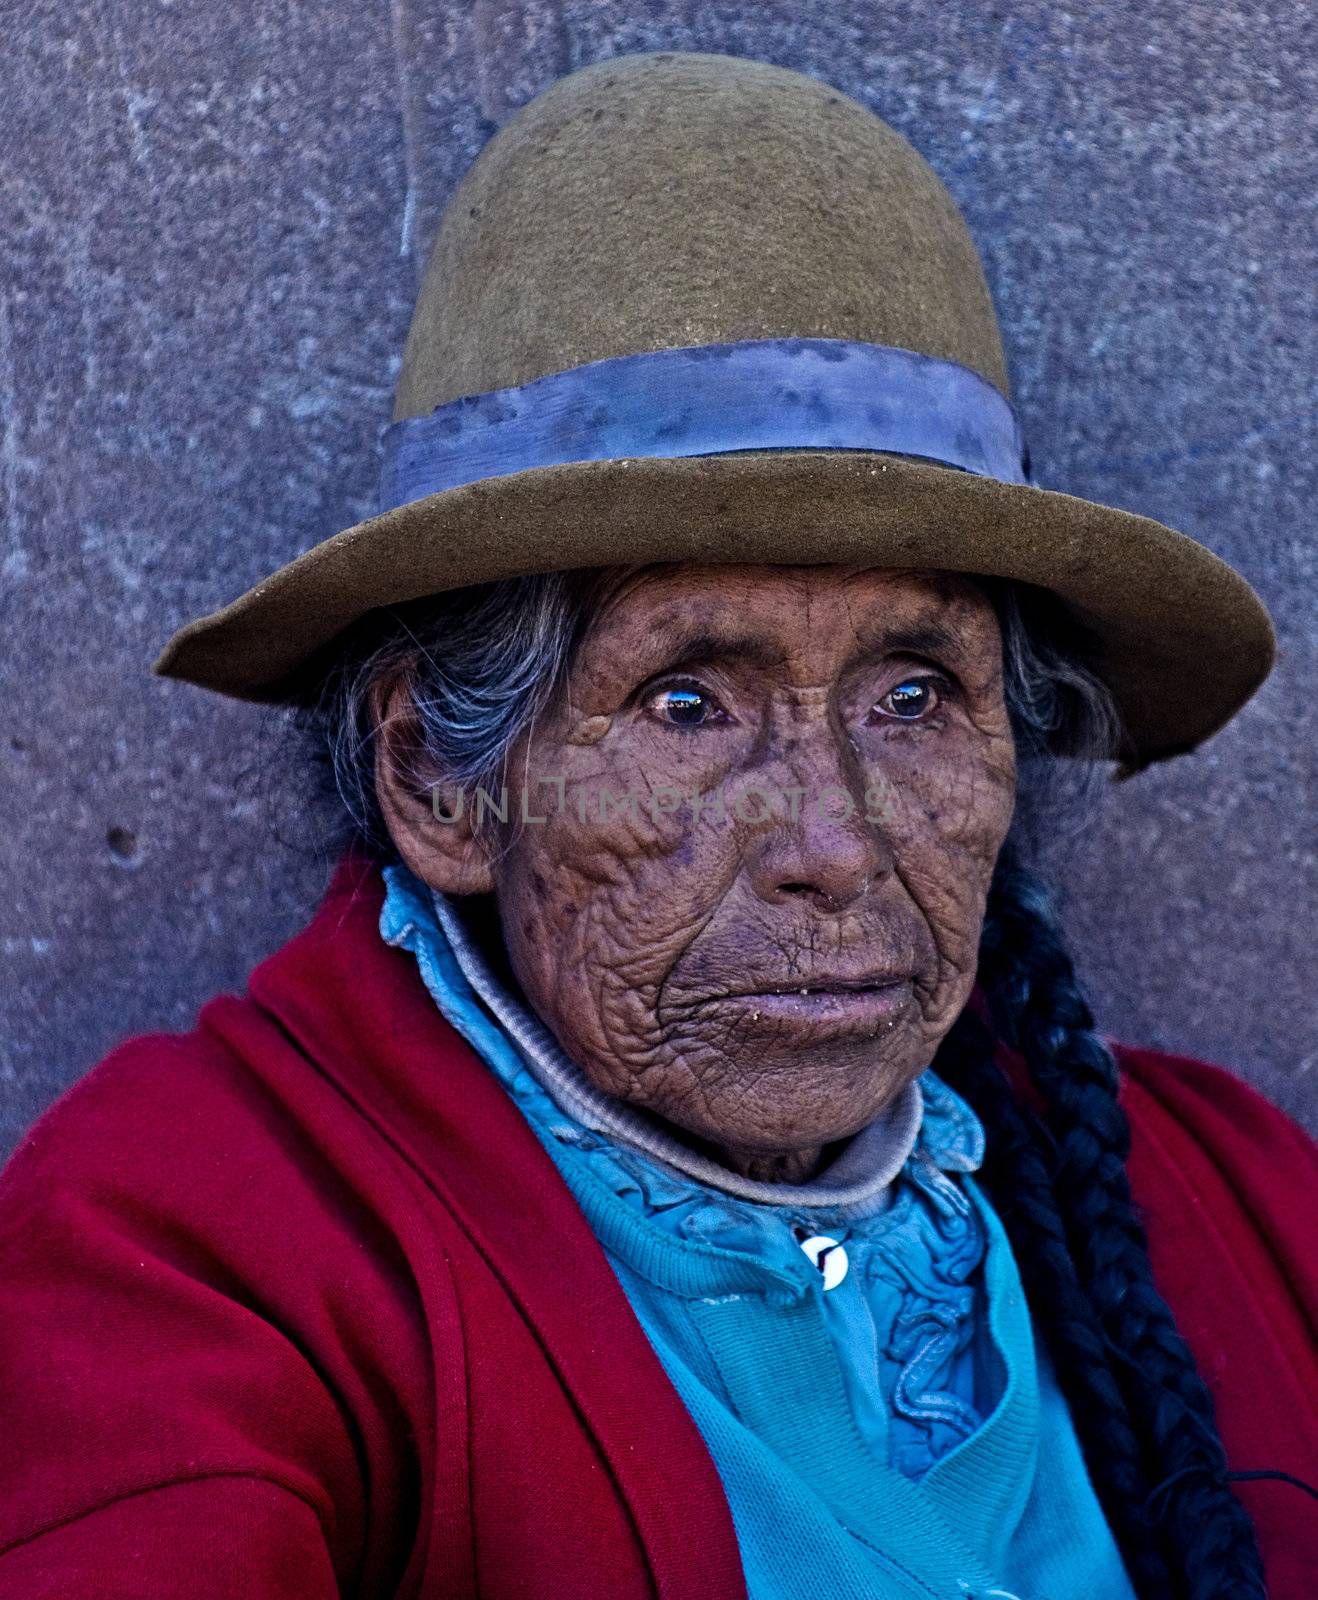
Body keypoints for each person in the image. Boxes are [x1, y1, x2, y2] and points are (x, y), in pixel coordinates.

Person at [1, 49, 1314, 1600]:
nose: (830, 842)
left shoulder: (1238, 1200)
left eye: (912, 695)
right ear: (439, 779)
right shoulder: (192, 1249)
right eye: (687, 703)